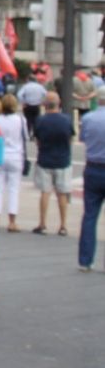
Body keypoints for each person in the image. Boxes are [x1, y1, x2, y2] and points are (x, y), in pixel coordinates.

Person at [31, 90, 73, 237]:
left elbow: (37, 140)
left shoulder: (40, 120)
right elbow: (70, 138)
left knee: (45, 192)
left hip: (45, 159)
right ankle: (63, 225)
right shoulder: (67, 119)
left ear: (45, 104)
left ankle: (42, 223)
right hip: (63, 159)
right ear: (58, 103)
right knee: (62, 193)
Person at [0, 93, 29, 233]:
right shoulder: (20, 119)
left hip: (0, 155)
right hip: (16, 155)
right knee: (13, 188)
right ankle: (12, 221)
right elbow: (25, 136)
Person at [77, 98, 105, 271]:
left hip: (93, 167)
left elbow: (83, 138)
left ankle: (86, 260)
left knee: (90, 215)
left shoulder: (88, 118)